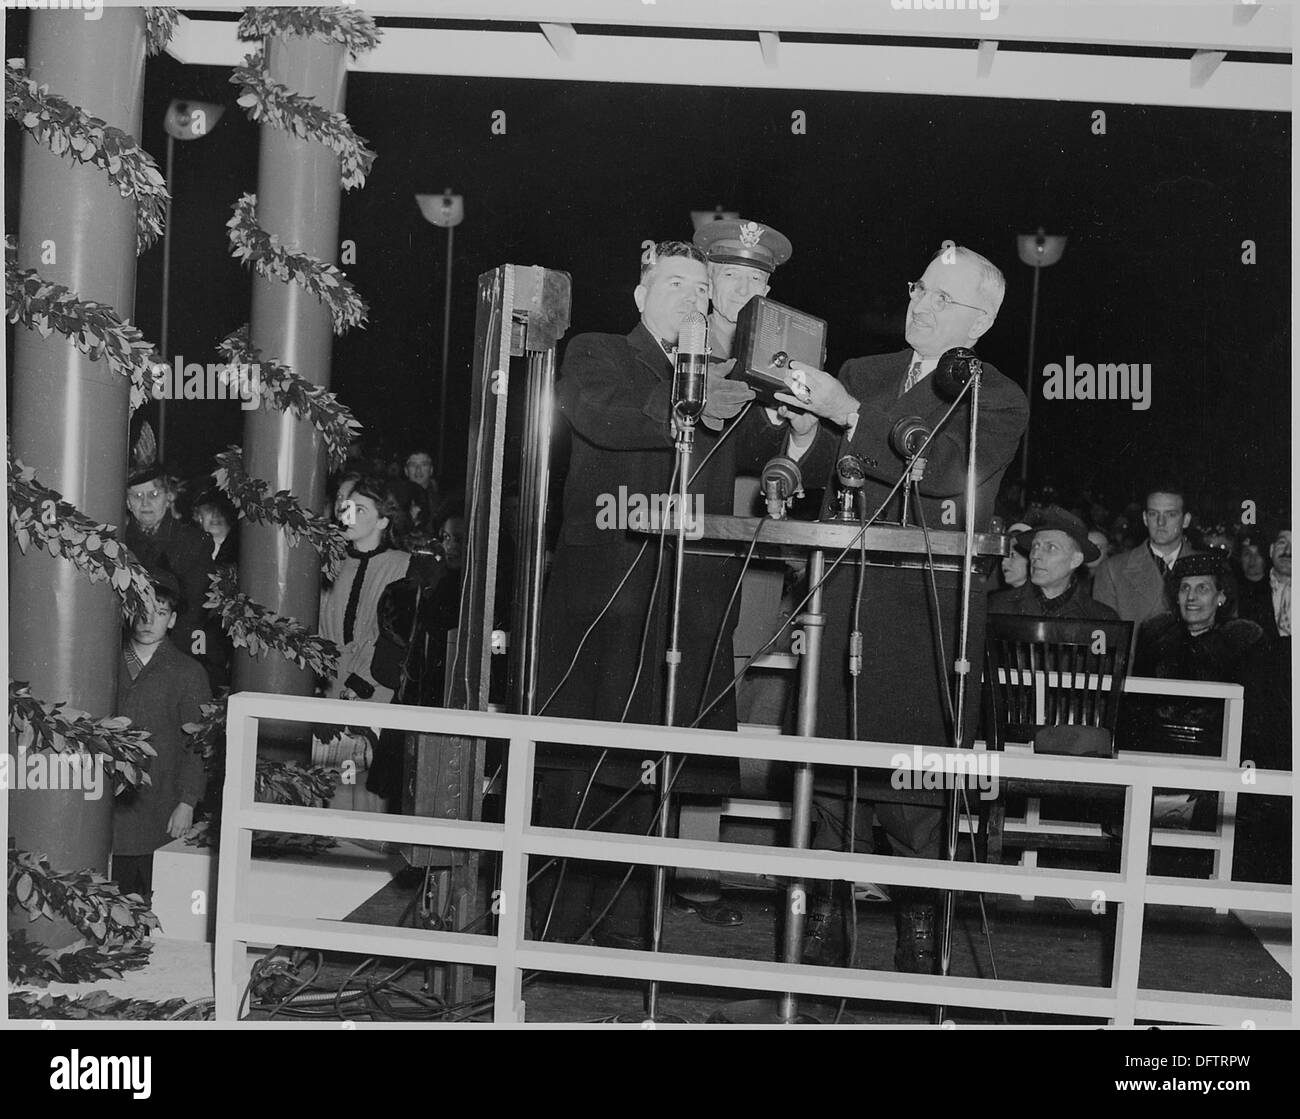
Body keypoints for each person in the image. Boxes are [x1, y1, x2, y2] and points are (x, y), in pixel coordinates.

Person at [533, 238, 799, 951]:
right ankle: (551, 930)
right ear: (640, 294)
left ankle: (625, 933)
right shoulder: (599, 352)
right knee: (583, 762)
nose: (690, 297)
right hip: (606, 597)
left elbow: (755, 443)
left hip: (684, 598)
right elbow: (600, 412)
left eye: (700, 290)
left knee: (652, 772)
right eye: (675, 283)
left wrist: (786, 444)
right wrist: (691, 396)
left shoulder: (717, 370)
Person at [775, 243, 1029, 972]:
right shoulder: (864, 371)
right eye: (920, 287)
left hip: (927, 617)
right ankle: (817, 951)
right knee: (826, 788)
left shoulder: (997, 396)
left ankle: (922, 944)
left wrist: (847, 413)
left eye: (941, 299)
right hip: (844, 599)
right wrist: (802, 428)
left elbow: (946, 472)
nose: (920, 303)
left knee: (915, 793)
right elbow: (829, 471)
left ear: (979, 324)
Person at [669, 217, 794, 928]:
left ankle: (696, 873)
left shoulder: (778, 357)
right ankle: (615, 869)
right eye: (730, 278)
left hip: (732, 560)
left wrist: (781, 460)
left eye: (756, 282)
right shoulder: (672, 342)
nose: (741, 290)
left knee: (712, 709)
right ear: (708, 282)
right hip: (658, 551)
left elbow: (787, 448)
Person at [314, 476, 413, 812]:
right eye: (346, 508)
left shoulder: (402, 565)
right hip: (326, 685)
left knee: (362, 798)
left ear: (383, 520)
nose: (348, 516)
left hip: (372, 690)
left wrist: (359, 685)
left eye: (360, 509)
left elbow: (391, 637)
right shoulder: (329, 561)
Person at [112, 571, 211, 905]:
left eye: (160, 612)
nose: (148, 620)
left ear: (172, 620)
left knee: (157, 896)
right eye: (140, 610)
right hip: (112, 803)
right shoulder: (106, 663)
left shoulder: (188, 672)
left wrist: (187, 802)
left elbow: (198, 745)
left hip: (161, 801)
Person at [124, 464, 217, 667]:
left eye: (154, 494)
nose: (145, 503)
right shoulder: (117, 544)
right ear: (127, 503)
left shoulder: (194, 542)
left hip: (176, 654)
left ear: (168, 497)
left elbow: (195, 610)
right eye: (137, 496)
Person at [1092, 482, 1198, 628]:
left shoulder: (1207, 568)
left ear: (1185, 520)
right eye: (1154, 514)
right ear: (1145, 519)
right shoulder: (1112, 570)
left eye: (1171, 514)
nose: (1161, 522)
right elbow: (1106, 636)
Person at [989, 507, 1119, 620]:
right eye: (1035, 546)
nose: (1035, 555)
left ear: (1075, 560)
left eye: (1051, 547)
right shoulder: (996, 608)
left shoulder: (1100, 619)